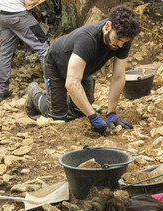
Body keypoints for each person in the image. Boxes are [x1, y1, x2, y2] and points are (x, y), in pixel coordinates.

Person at [25, 5, 140, 134]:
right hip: (56, 65)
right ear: (108, 26)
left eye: (124, 42)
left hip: (83, 68)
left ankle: (64, 99)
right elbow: (72, 82)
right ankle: (35, 92)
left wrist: (111, 112)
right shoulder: (87, 39)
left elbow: (118, 76)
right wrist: (93, 117)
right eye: (118, 40)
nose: (120, 45)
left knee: (80, 111)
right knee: (57, 117)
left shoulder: (123, 38)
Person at [0, 0, 50, 101]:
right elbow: (29, 2)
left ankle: (1, 90)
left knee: (5, 52)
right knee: (44, 47)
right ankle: (51, 88)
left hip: (1, 14)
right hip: (18, 14)